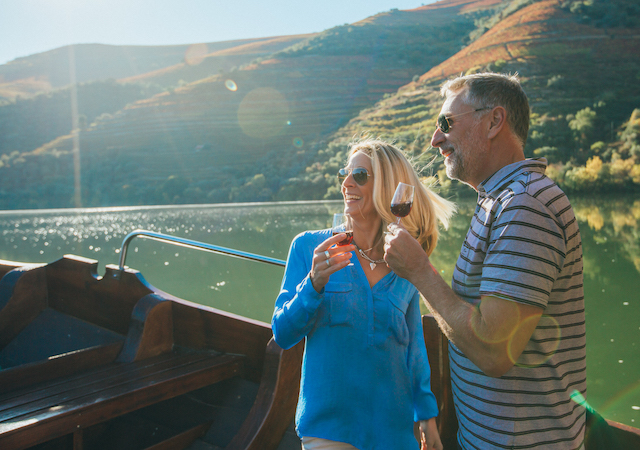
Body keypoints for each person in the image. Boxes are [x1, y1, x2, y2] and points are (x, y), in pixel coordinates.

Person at [384, 72, 587, 449]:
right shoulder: (501, 201)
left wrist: (419, 272)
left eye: (446, 123)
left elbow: (495, 351)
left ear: (494, 121)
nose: (435, 138)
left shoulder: (525, 206)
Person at [272, 138, 455, 450]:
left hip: (395, 435)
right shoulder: (308, 248)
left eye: (359, 176)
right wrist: (314, 282)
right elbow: (283, 333)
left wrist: (425, 415)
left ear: (387, 188)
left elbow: (413, 349)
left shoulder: (405, 260)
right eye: (346, 173)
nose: (346, 183)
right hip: (329, 430)